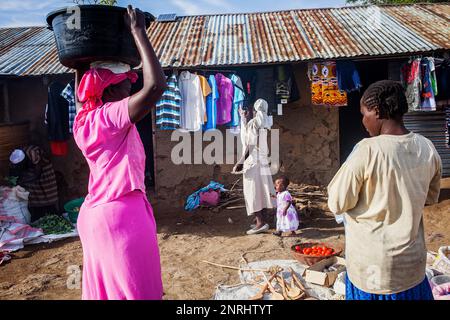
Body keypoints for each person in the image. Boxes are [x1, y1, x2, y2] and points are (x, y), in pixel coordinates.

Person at [73, 6, 167, 300]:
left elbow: (83, 94)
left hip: (93, 217)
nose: (131, 84)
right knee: (136, 291)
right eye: (125, 80)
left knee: (108, 291)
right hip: (121, 218)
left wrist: (81, 60)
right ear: (110, 89)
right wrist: (138, 32)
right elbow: (155, 87)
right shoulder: (112, 115)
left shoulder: (83, 120)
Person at [327, 80, 442, 300]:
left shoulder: (367, 151)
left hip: (372, 273)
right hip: (412, 269)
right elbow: (429, 197)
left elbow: (337, 202)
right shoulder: (427, 147)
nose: (363, 121)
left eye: (364, 113)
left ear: (377, 111)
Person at [233, 99, 275, 235]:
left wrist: (240, 162)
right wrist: (243, 119)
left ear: (255, 110)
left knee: (253, 193)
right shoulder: (264, 122)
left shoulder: (254, 123)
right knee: (262, 190)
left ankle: (260, 223)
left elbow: (250, 145)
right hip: (262, 161)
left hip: (252, 162)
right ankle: (262, 220)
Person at [9, 146, 59, 222]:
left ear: (24, 160)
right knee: (34, 195)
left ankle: (54, 214)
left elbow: (37, 174)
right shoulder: (15, 156)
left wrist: (23, 181)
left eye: (21, 164)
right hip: (31, 175)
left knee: (48, 195)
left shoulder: (33, 153)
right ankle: (39, 215)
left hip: (44, 172)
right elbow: (14, 172)